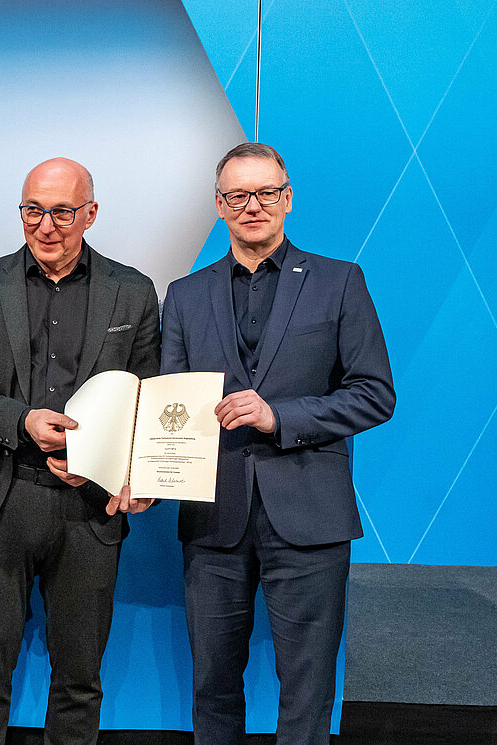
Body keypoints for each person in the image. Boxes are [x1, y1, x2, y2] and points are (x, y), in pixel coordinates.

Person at [161, 142, 395, 745]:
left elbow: (375, 394)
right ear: (219, 206)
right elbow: (170, 408)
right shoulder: (185, 295)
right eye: (238, 196)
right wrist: (146, 473)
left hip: (310, 517)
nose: (253, 206)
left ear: (287, 199)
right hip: (213, 516)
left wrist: (279, 416)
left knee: (307, 690)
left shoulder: (340, 282)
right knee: (212, 684)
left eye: (266, 193)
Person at [0, 158, 160, 745]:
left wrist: (127, 468)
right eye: (33, 210)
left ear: (90, 213)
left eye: (62, 211)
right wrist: (22, 420)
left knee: (80, 682)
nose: (46, 225)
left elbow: (148, 396)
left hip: (90, 509)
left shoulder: (132, 292)